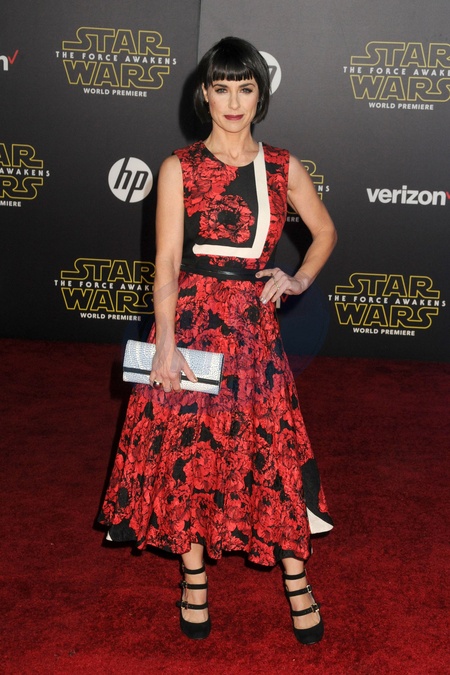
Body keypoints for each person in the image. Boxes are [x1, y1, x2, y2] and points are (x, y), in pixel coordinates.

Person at [99, 36, 337, 645]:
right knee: (190, 451)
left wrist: (298, 278)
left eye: (245, 88)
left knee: (270, 450)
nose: (233, 102)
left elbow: (324, 232)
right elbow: (166, 261)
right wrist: (167, 344)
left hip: (253, 330)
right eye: (222, 88)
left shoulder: (282, 166)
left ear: (260, 95)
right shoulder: (178, 167)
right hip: (192, 323)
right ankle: (194, 577)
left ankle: (296, 578)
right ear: (205, 95)